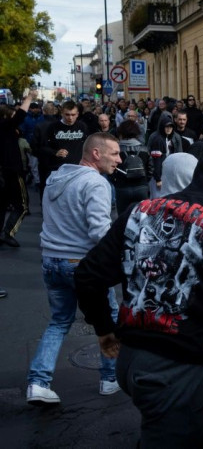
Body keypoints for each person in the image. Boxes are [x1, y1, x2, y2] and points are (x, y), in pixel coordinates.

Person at [75, 143, 203, 448]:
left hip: (132, 359)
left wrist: (104, 328)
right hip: (172, 370)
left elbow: (87, 275)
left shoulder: (141, 210)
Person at [27, 132, 123, 405]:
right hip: (82, 265)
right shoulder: (96, 183)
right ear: (96, 153)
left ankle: (38, 382)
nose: (119, 159)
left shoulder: (55, 178)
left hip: (51, 261)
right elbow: (99, 232)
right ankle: (109, 378)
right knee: (107, 320)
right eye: (114, 153)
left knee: (59, 321)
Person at [0, 89, 36, 247]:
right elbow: (21, 115)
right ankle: (7, 232)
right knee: (22, 205)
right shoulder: (5, 126)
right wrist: (29, 98)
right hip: (12, 171)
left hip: (3, 171)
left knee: (1, 205)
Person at [111, 120, 152, 214]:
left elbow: (111, 169)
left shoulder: (116, 150)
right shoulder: (144, 149)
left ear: (121, 132)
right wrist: (145, 180)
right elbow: (151, 169)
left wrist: (116, 181)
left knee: (122, 219)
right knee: (142, 217)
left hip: (122, 188)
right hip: (141, 187)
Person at [147, 111, 182, 198]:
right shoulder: (157, 139)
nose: (169, 129)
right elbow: (156, 160)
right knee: (157, 198)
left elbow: (179, 154)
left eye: (170, 126)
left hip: (169, 172)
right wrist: (158, 178)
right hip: (159, 174)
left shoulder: (173, 137)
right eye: (166, 126)